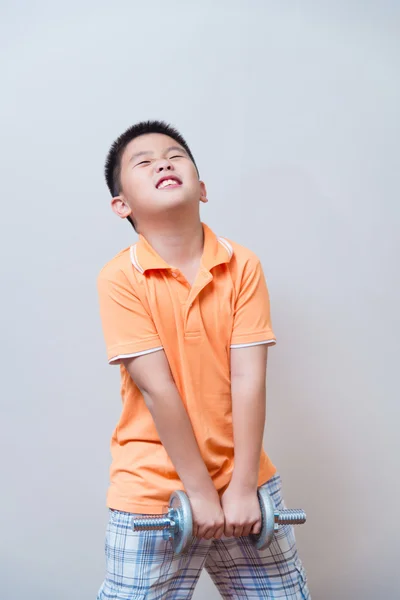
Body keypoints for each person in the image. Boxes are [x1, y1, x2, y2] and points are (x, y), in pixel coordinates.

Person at [96, 120, 310, 599]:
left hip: (245, 484)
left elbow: (249, 378)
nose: (164, 163)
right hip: (153, 490)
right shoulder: (120, 279)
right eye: (144, 162)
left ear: (203, 188)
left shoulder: (242, 264)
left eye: (175, 156)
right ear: (121, 205)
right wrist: (198, 493)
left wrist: (239, 487)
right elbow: (157, 388)